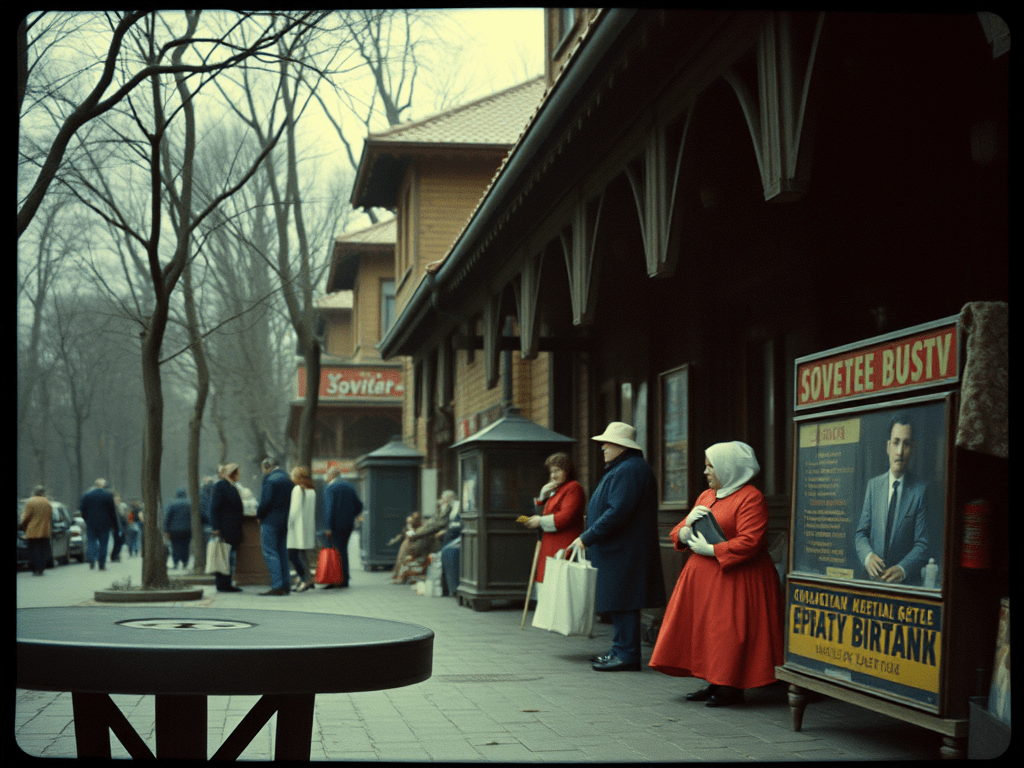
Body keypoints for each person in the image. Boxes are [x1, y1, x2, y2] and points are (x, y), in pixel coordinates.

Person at [649, 441, 785, 707]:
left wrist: (712, 549)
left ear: (729, 467)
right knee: (709, 631)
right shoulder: (707, 496)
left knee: (728, 632)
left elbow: (752, 541)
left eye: (711, 466)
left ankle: (729, 686)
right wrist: (685, 530)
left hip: (736, 579)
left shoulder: (750, 497)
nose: (705, 472)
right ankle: (713, 680)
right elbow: (679, 529)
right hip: (708, 581)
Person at [567, 422, 666, 672]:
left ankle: (626, 655)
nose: (602, 447)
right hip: (619, 549)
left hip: (624, 550)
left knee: (624, 601)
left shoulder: (630, 470)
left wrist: (586, 537)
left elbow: (617, 512)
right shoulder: (626, 468)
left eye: (608, 443)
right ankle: (620, 650)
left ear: (622, 446)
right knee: (620, 601)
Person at [854, 412, 930, 584]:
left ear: (912, 450)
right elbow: (860, 534)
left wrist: (903, 568)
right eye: (896, 443)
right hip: (873, 582)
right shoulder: (873, 486)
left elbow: (922, 544)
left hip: (904, 585)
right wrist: (867, 556)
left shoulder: (920, 490)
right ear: (888, 447)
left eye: (906, 444)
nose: (900, 451)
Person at [520, 452, 586, 601]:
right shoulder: (556, 490)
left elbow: (565, 518)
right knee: (550, 591)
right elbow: (544, 512)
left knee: (560, 593)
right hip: (550, 545)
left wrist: (540, 521)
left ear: (567, 471)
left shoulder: (573, 488)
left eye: (557, 470)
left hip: (563, 545)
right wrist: (542, 496)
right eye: (551, 471)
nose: (554, 475)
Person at [257, 456, 294, 595]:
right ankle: (285, 584)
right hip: (285, 521)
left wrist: (259, 515)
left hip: (270, 521)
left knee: (270, 552)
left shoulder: (270, 480)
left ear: (267, 467)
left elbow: (265, 502)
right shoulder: (288, 480)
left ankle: (277, 585)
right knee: (282, 552)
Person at [323, 466, 363, 588]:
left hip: (335, 526)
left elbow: (329, 510)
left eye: (327, 475)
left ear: (331, 475)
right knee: (343, 551)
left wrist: (328, 527)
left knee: (336, 551)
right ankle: (344, 578)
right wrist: (351, 515)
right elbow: (359, 505)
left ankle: (338, 580)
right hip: (348, 525)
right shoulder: (349, 486)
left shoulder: (331, 488)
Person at [210, 463, 245, 592]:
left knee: (229, 556)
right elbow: (214, 508)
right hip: (225, 528)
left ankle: (227, 583)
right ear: (232, 474)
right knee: (224, 556)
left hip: (233, 528)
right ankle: (223, 584)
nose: (239, 475)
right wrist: (216, 527)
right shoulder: (220, 486)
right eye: (238, 473)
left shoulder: (232, 486)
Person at [287, 466, 318, 592]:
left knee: (292, 554)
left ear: (297, 477)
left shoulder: (297, 489)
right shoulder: (312, 491)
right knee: (303, 555)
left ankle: (305, 580)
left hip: (296, 529)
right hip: (307, 528)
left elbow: (294, 511)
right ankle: (308, 579)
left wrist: (287, 524)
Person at [80, 478, 119, 570]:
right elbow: (112, 512)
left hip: (91, 523)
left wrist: (86, 520)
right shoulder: (108, 496)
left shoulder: (87, 495)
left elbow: (82, 509)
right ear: (103, 485)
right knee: (103, 544)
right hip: (105, 524)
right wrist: (115, 524)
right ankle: (101, 563)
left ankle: (91, 560)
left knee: (91, 542)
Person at [20, 486, 52, 576]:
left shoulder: (31, 501)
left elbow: (26, 516)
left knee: (33, 550)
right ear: (42, 493)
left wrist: (22, 522)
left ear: (34, 492)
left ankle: (35, 568)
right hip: (45, 530)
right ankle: (41, 568)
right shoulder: (47, 502)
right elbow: (50, 516)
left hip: (33, 530)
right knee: (43, 550)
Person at [163, 488, 192, 570]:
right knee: (185, 547)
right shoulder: (189, 504)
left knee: (175, 547)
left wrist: (166, 530)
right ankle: (185, 563)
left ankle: (175, 563)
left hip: (174, 531)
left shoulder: (172, 504)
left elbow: (167, 518)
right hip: (187, 530)